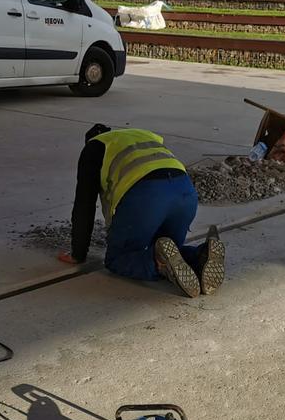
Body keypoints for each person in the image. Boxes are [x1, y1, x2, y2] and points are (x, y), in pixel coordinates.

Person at [59, 124, 225, 298]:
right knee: (171, 249)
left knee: (118, 259)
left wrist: (78, 253)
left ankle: (157, 263)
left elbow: (84, 204)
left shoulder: (94, 148)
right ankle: (200, 255)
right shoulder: (142, 136)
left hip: (147, 198)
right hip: (185, 194)